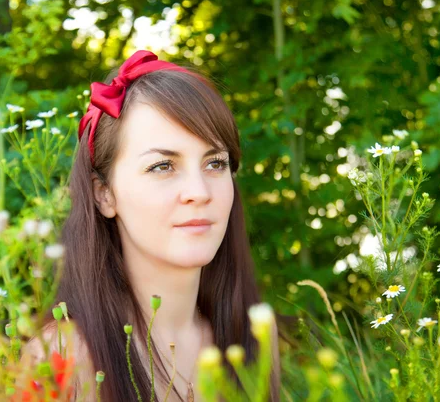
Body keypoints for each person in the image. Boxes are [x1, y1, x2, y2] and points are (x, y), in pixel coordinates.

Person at [22, 50, 280, 401]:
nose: (198, 192)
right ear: (104, 195)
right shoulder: (62, 359)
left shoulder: (252, 341)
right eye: (162, 166)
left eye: (215, 163)